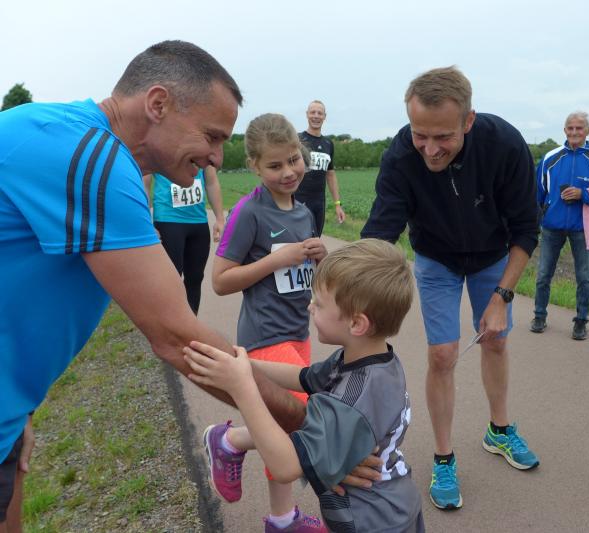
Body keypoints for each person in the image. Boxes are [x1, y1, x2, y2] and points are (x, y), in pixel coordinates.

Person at [0, 41, 375, 533]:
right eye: (212, 136)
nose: (216, 156)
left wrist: (20, 407)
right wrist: (318, 431)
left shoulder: (67, 137)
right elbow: (177, 338)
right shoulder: (92, 158)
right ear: (158, 104)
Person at [361, 66, 540, 511]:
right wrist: (354, 292)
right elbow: (380, 232)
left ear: (468, 121)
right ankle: (444, 457)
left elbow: (525, 230)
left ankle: (499, 430)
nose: (429, 148)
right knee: (442, 354)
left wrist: (502, 297)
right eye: (420, 134)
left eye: (443, 136)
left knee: (495, 339)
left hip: (492, 255)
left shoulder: (505, 144)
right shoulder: (401, 155)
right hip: (436, 257)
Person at [186, 239, 424, 533]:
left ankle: (230, 440)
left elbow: (285, 466)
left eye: (319, 303)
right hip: (396, 505)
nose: (310, 306)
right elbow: (303, 376)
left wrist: (242, 385)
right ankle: (230, 441)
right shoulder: (374, 361)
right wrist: (245, 364)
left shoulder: (351, 401)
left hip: (373, 522)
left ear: (357, 324)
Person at [210, 113, 327, 531]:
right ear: (255, 166)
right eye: (275, 165)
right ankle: (231, 440)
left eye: (293, 159)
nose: (288, 171)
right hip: (264, 336)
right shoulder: (249, 212)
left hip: (298, 334)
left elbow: (303, 274)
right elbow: (220, 280)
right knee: (298, 422)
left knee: (285, 424)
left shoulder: (304, 212)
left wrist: (320, 259)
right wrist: (276, 260)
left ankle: (281, 516)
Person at [529, 111, 589, 340]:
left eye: (579, 128)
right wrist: (537, 219)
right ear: (565, 130)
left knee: (584, 277)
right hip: (552, 226)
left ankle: (581, 321)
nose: (574, 132)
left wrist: (583, 194)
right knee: (543, 274)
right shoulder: (551, 157)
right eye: (570, 128)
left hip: (582, 227)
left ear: (588, 131)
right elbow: (538, 192)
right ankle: (539, 316)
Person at [143, 165, 224, 314]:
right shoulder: (159, 150)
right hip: (168, 221)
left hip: (199, 223)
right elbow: (145, 184)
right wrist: (146, 222)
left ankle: (191, 324)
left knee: (195, 279)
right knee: (171, 280)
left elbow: (211, 182)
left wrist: (220, 218)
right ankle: (169, 323)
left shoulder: (202, 151)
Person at [295, 100, 345, 236]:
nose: (316, 116)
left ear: (324, 116)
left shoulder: (328, 143)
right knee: (299, 241)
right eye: (313, 112)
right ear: (307, 114)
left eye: (319, 113)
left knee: (316, 241)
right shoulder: (297, 139)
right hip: (298, 201)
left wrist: (337, 204)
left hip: (319, 203)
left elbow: (331, 175)